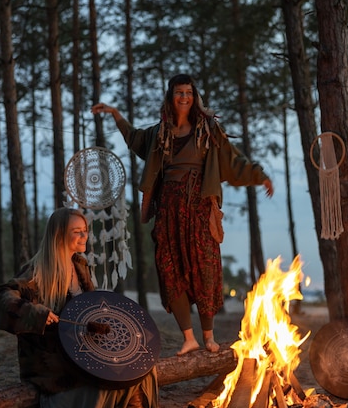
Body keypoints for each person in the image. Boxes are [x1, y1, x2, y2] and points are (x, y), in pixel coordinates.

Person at [92, 74, 274, 356]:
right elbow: (133, 138)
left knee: (206, 268)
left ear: (195, 97)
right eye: (179, 92)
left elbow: (232, 158)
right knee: (170, 269)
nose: (184, 97)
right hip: (169, 210)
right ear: (171, 96)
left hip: (199, 208)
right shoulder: (158, 133)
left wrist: (258, 175)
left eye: (189, 92)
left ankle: (209, 337)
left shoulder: (208, 130)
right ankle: (189, 338)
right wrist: (116, 114)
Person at [0, 207, 164, 408]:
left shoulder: (80, 264)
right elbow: (3, 295)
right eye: (77, 232)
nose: (85, 236)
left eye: (85, 231)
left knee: (137, 358)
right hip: (52, 354)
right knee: (104, 373)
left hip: (80, 342)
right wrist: (35, 313)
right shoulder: (37, 271)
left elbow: (88, 306)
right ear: (59, 234)